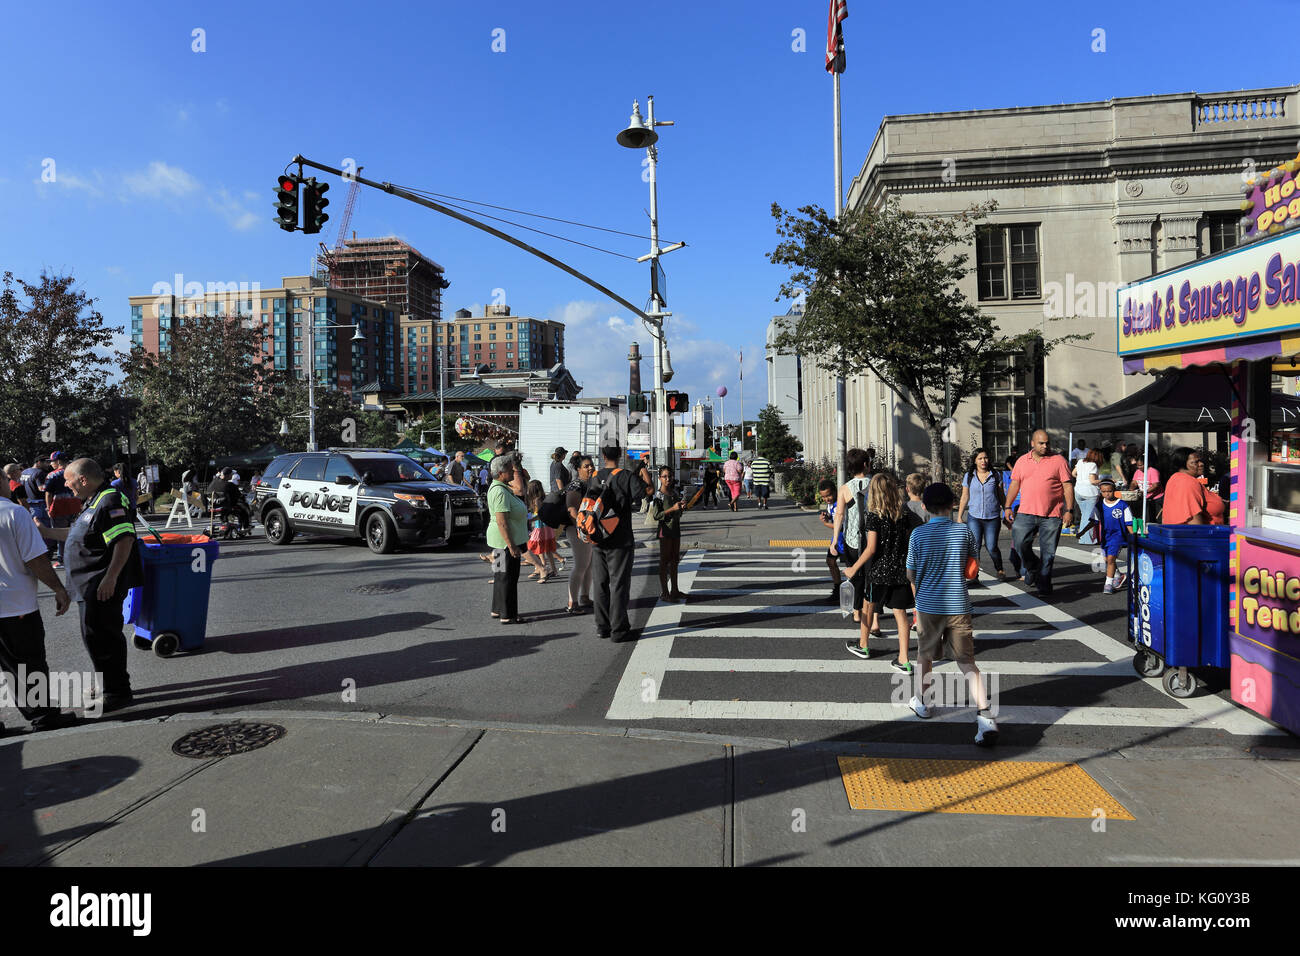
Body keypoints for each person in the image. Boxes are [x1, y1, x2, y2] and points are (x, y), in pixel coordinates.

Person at [35, 458, 143, 712]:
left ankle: (116, 692)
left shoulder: (110, 500)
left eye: (69, 480)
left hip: (101, 586)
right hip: (89, 586)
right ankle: (109, 682)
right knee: (95, 638)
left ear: (83, 479)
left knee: (104, 638)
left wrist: (111, 577)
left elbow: (124, 540)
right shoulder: (93, 501)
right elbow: (77, 534)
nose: (66, 485)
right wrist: (44, 532)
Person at [905, 482, 998, 746]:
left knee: (925, 657)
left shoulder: (918, 535)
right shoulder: (964, 531)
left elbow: (910, 573)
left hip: (927, 606)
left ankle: (923, 703)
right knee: (967, 662)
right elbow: (973, 569)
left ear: (924, 506)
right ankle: (986, 716)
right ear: (952, 505)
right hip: (959, 605)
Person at [0, 488, 77, 732]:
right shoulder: (13, 513)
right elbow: (35, 559)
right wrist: (58, 588)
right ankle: (43, 716)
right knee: (27, 663)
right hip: (14, 605)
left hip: (11, 603)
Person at [842, 473, 918, 673]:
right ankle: (904, 659)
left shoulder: (874, 516)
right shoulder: (903, 515)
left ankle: (863, 645)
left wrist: (853, 568)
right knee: (901, 614)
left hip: (879, 571)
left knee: (868, 607)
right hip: (901, 570)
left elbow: (871, 548)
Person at [1004, 429, 1075, 598]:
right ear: (1033, 444)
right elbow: (1014, 484)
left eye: (1047, 443)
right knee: (1020, 545)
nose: (1045, 446)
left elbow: (1067, 486)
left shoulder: (1058, 460)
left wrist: (1069, 510)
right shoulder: (1022, 461)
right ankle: (1032, 567)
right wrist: (1007, 506)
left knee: (1048, 553)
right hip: (1025, 512)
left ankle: (1044, 583)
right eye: (1041, 443)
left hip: (1051, 515)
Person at [588, 445, 649, 642]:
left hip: (598, 537)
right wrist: (644, 473)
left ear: (603, 456)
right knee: (619, 584)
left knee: (600, 583)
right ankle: (619, 629)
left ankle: (602, 626)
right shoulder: (626, 476)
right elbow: (645, 493)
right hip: (620, 537)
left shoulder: (595, 476)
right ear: (620, 454)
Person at [831, 448, 874, 628]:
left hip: (852, 540)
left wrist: (834, 541)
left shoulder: (844, 488)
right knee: (871, 577)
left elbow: (839, 515)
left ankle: (856, 612)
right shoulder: (875, 484)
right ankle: (873, 616)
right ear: (865, 464)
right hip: (873, 538)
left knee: (855, 576)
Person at [486, 454, 529, 625]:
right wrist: (512, 546)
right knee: (508, 578)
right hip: (505, 542)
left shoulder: (499, 487)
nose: (513, 472)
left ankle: (497, 609)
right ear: (502, 472)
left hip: (499, 540)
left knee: (500, 576)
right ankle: (508, 614)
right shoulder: (500, 491)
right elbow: (502, 521)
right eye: (510, 470)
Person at [957, 448, 1006, 581]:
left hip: (993, 517)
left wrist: (1006, 510)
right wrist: (959, 516)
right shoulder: (969, 476)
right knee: (975, 547)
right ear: (975, 460)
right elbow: (964, 496)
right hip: (974, 517)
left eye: (985, 458)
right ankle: (974, 575)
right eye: (980, 458)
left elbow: (1001, 495)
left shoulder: (996, 475)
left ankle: (1000, 569)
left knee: (991, 547)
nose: (983, 461)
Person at [1078, 478, 1133, 594]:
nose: (1107, 494)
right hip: (1105, 537)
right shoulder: (1099, 506)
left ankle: (1108, 584)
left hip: (1118, 537)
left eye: (1109, 491)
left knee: (1111, 559)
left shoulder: (1123, 505)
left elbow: (1129, 523)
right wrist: (1082, 532)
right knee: (1107, 560)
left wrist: (1134, 537)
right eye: (1104, 491)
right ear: (1100, 492)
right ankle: (1119, 575)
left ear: (1114, 490)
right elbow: (1094, 521)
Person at [564, 456, 596, 615]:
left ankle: (584, 597)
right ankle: (572, 602)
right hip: (577, 529)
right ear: (578, 469)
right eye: (586, 466)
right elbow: (571, 508)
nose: (590, 468)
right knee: (581, 565)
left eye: (591, 465)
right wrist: (581, 527)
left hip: (588, 528)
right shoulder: (576, 484)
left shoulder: (590, 483)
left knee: (589, 564)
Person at [650, 466, 686, 602]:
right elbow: (656, 515)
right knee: (664, 561)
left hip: (675, 529)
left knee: (675, 560)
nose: (668, 479)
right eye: (664, 476)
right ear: (659, 478)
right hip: (664, 531)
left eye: (669, 476)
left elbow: (678, 514)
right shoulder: (658, 495)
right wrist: (673, 508)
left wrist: (681, 508)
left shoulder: (674, 493)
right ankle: (665, 592)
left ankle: (675, 590)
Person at [44, 452, 78, 569]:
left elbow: (48, 493)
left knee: (60, 535)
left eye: (52, 461)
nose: (51, 464)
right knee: (76, 533)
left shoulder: (52, 475)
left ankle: (61, 559)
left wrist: (48, 508)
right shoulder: (75, 472)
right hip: (75, 506)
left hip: (59, 508)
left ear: (58, 461)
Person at [1160, 448, 1209, 525]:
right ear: (1182, 465)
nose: (1201, 464)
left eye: (1200, 461)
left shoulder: (1175, 478)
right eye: (1196, 462)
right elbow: (1194, 520)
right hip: (1196, 534)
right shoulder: (1188, 481)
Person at [525, 479, 558, 582]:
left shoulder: (536, 500)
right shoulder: (544, 498)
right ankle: (554, 570)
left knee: (536, 548)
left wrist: (530, 520)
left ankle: (543, 569)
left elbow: (540, 515)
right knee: (547, 550)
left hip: (540, 527)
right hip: (548, 527)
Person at [818, 479, 845, 603]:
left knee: (851, 566)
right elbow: (832, 516)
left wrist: (825, 523)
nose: (827, 499)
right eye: (823, 497)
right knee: (830, 562)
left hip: (845, 539)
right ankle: (838, 588)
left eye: (828, 495)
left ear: (835, 492)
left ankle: (854, 591)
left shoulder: (840, 503)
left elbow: (839, 525)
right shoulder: (830, 504)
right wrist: (827, 516)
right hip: (836, 540)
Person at [1072, 449, 1104, 545]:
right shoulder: (1093, 465)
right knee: (1089, 517)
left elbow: (1073, 473)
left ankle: (1083, 538)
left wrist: (1081, 479)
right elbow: (1093, 481)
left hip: (1078, 491)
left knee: (1084, 515)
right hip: (1090, 493)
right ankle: (1086, 539)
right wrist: (1105, 479)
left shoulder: (1080, 461)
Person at [206, 467, 250, 532]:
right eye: (231, 474)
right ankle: (244, 527)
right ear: (228, 475)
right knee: (243, 509)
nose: (232, 476)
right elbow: (239, 495)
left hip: (212, 505)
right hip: (226, 507)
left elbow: (208, 492)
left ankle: (225, 522)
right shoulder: (230, 485)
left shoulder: (213, 482)